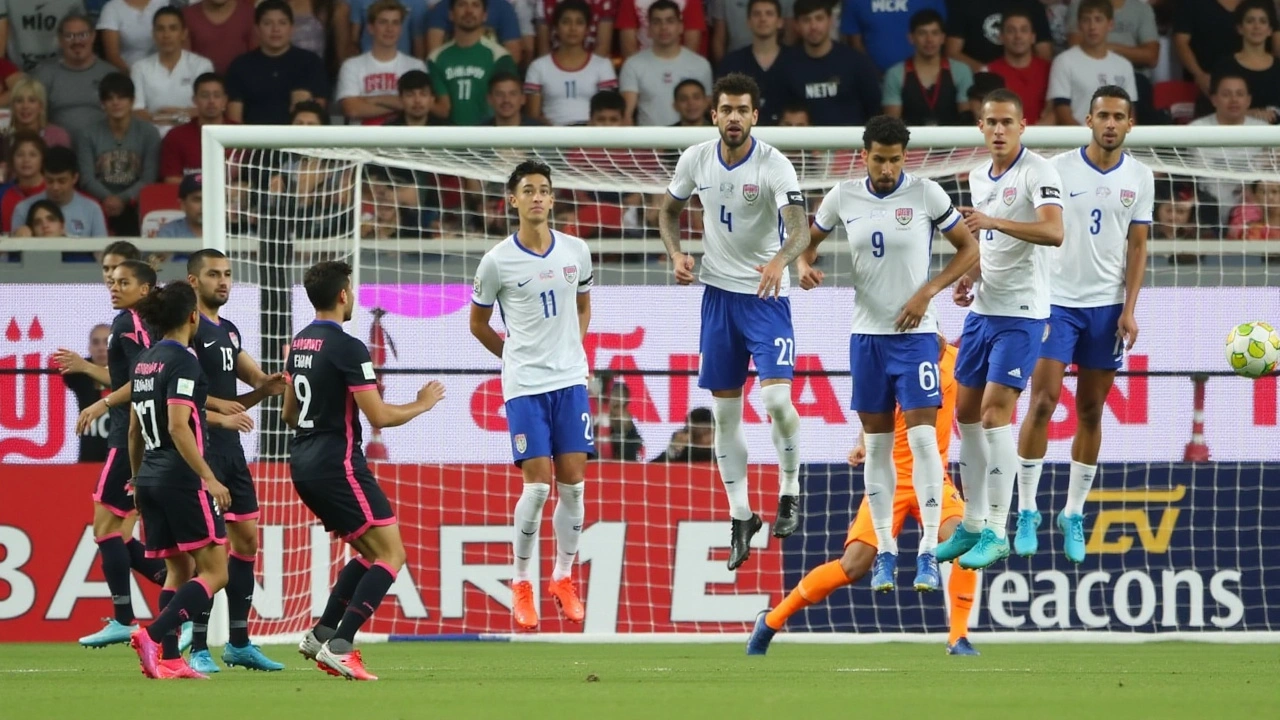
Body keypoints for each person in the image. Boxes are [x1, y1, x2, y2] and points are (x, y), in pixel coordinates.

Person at [796, 114, 979, 590]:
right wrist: (801, 264)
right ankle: (885, 551)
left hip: (917, 337)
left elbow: (969, 248)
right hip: (867, 337)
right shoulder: (843, 196)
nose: (886, 169)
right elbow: (806, 242)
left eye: (895, 160)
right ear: (865, 156)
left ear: (905, 158)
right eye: (878, 159)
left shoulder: (925, 194)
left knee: (922, 444)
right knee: (877, 447)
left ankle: (926, 555)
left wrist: (928, 292)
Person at [745, 335, 981, 657]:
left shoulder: (957, 361)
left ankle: (958, 637)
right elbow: (876, 413)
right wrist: (860, 441)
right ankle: (770, 621)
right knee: (853, 566)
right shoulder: (896, 358)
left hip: (933, 481)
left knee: (965, 543)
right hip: (891, 481)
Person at [658, 72, 812, 570]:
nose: (733, 118)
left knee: (775, 398)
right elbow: (668, 211)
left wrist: (780, 260)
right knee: (724, 415)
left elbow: (800, 233)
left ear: (754, 115)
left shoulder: (775, 165)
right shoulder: (695, 158)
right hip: (718, 298)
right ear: (714, 115)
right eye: (726, 110)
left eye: (742, 110)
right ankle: (741, 515)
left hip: (766, 299)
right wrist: (677, 252)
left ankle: (789, 488)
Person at [286, 261, 445, 681]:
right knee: (392, 555)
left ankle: (321, 633)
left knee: (371, 553)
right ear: (342, 295)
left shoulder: (298, 343)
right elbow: (379, 416)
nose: (353, 297)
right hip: (337, 464)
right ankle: (342, 644)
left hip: (301, 463)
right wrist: (422, 404)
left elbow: (288, 412)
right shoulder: (349, 347)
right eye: (351, 290)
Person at [1014, 86, 1152, 562]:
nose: (1110, 123)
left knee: (1092, 411)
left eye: (1119, 116)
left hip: (1106, 308)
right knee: (1044, 401)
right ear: (1088, 121)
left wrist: (1129, 309)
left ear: (1130, 124)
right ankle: (1027, 508)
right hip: (1056, 302)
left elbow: (1137, 248)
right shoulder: (1057, 168)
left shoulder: (1141, 176)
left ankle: (1073, 511)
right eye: (1102, 116)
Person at [934, 88, 1064, 571]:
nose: (999, 131)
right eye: (991, 123)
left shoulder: (1038, 172)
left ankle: (997, 528)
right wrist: (969, 278)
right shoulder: (976, 174)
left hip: (1023, 313)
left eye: (1007, 122)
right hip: (983, 310)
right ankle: (970, 525)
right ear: (981, 127)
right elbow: (988, 247)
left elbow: (1054, 232)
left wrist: (993, 220)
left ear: (1022, 126)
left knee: (993, 416)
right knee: (964, 414)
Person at [469, 160, 595, 631]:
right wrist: (512, 357)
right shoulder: (497, 260)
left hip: (569, 381)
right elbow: (477, 323)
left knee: (575, 485)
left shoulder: (577, 251)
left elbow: (583, 305)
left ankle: (563, 576)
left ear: (551, 198)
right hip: (525, 385)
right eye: (529, 190)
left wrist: (573, 351)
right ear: (513, 200)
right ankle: (521, 582)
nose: (538, 197)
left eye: (545, 190)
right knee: (539, 486)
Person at [53, 258, 170, 648]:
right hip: (143, 434)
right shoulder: (147, 325)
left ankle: (126, 617)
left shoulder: (129, 323)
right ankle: (184, 602)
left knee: (106, 530)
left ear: (144, 289)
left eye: (122, 281)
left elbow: (143, 381)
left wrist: (101, 405)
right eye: (110, 279)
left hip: (130, 437)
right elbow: (135, 379)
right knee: (119, 534)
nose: (112, 286)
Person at [182, 248, 289, 673]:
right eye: (213, 274)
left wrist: (271, 384)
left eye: (227, 274)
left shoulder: (227, 329)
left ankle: (240, 642)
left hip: (232, 453)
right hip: (200, 450)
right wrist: (220, 412)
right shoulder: (185, 331)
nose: (223, 281)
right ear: (194, 281)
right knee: (209, 556)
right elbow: (181, 392)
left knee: (246, 542)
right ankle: (199, 647)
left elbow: (254, 381)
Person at [125, 281, 230, 680]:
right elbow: (177, 425)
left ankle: (170, 659)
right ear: (192, 317)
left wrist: (136, 481)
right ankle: (152, 635)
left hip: (149, 476)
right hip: (181, 478)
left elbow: (134, 430)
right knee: (217, 572)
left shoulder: (144, 361)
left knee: (177, 571)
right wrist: (210, 478)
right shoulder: (184, 361)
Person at [524, 0, 618, 126]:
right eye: (566, 22)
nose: (573, 28)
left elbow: (607, 114)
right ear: (556, 28)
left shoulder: (603, 65)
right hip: (551, 139)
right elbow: (533, 116)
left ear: (587, 29)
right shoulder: (538, 67)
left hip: (592, 138)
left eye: (579, 23)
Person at [1047, 0, 1136, 126]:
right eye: (1086, 20)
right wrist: (1090, 141)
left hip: (1116, 142)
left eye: (1098, 19)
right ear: (1079, 25)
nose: (1092, 26)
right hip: (1077, 142)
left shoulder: (1124, 65)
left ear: (1110, 24)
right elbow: (1062, 113)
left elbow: (1129, 114)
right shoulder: (1063, 61)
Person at [63, 323, 112, 463]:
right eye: (96, 342)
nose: (101, 348)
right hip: (89, 459)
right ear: (90, 348)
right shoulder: (79, 376)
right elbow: (67, 370)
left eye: (107, 342)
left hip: (121, 458)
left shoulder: (130, 373)